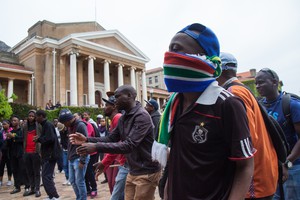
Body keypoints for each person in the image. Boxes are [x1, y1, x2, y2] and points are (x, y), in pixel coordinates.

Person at [154, 23, 255, 200]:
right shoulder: (174, 103)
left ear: (203, 58)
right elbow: (178, 159)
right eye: (169, 50)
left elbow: (246, 166)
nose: (169, 56)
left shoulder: (228, 104)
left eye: (177, 49)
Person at [70, 85, 161, 200]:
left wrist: (96, 147)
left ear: (129, 96)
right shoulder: (124, 117)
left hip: (147, 171)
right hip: (133, 170)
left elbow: (129, 145)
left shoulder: (141, 116)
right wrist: (87, 139)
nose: (115, 100)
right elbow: (111, 138)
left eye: (117, 96)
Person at [217, 52, 278, 199]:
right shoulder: (241, 89)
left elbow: (246, 138)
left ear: (220, 70)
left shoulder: (233, 92)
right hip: (262, 175)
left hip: (254, 182)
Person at [255, 68, 300, 200]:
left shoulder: (291, 105)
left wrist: (287, 163)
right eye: (256, 83)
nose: (257, 86)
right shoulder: (259, 107)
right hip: (271, 168)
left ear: (275, 82)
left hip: (293, 166)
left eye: (261, 82)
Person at [94, 95, 127, 200]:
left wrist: (104, 162)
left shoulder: (117, 118)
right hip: (120, 160)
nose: (104, 107)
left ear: (114, 107)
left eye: (107, 105)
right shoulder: (115, 119)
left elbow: (116, 145)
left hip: (124, 162)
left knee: (116, 194)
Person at [58, 109, 90, 200]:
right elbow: (70, 143)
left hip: (79, 157)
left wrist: (82, 160)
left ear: (68, 120)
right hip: (72, 157)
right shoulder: (70, 126)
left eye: (64, 122)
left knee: (79, 181)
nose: (64, 125)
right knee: (72, 180)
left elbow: (85, 143)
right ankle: (79, 197)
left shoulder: (80, 125)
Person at [35, 110, 61, 200]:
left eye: (36, 116)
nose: (35, 118)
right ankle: (51, 195)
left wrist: (39, 139)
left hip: (50, 155)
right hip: (48, 154)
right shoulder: (45, 125)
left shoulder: (48, 125)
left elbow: (50, 139)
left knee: (46, 176)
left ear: (41, 116)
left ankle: (55, 196)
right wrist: (40, 139)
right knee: (46, 176)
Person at [74, 112, 98, 198]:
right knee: (84, 174)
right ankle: (87, 189)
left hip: (92, 152)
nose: (74, 118)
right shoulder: (74, 126)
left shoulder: (88, 125)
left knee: (89, 171)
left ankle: (94, 188)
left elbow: (92, 137)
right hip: (82, 152)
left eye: (75, 116)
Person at [6, 115, 29, 195]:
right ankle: (17, 187)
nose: (13, 122)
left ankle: (27, 187)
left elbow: (23, 139)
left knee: (23, 170)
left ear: (19, 122)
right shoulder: (11, 132)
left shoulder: (22, 130)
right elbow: (8, 145)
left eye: (15, 120)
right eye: (12, 120)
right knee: (14, 170)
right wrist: (8, 139)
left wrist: (14, 138)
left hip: (21, 153)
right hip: (13, 154)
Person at [22, 110, 42, 197]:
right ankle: (32, 188)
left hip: (35, 151)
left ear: (35, 117)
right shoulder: (25, 126)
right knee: (29, 171)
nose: (30, 117)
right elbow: (24, 138)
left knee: (36, 171)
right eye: (29, 116)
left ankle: (37, 189)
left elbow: (41, 137)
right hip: (27, 151)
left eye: (32, 116)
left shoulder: (39, 125)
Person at [0, 120, 13, 187]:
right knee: (1, 167)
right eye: (3, 124)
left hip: (9, 152)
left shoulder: (12, 131)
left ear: (8, 124)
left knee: (9, 166)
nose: (3, 125)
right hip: (2, 152)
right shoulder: (1, 132)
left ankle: (9, 180)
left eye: (5, 124)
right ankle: (1, 181)